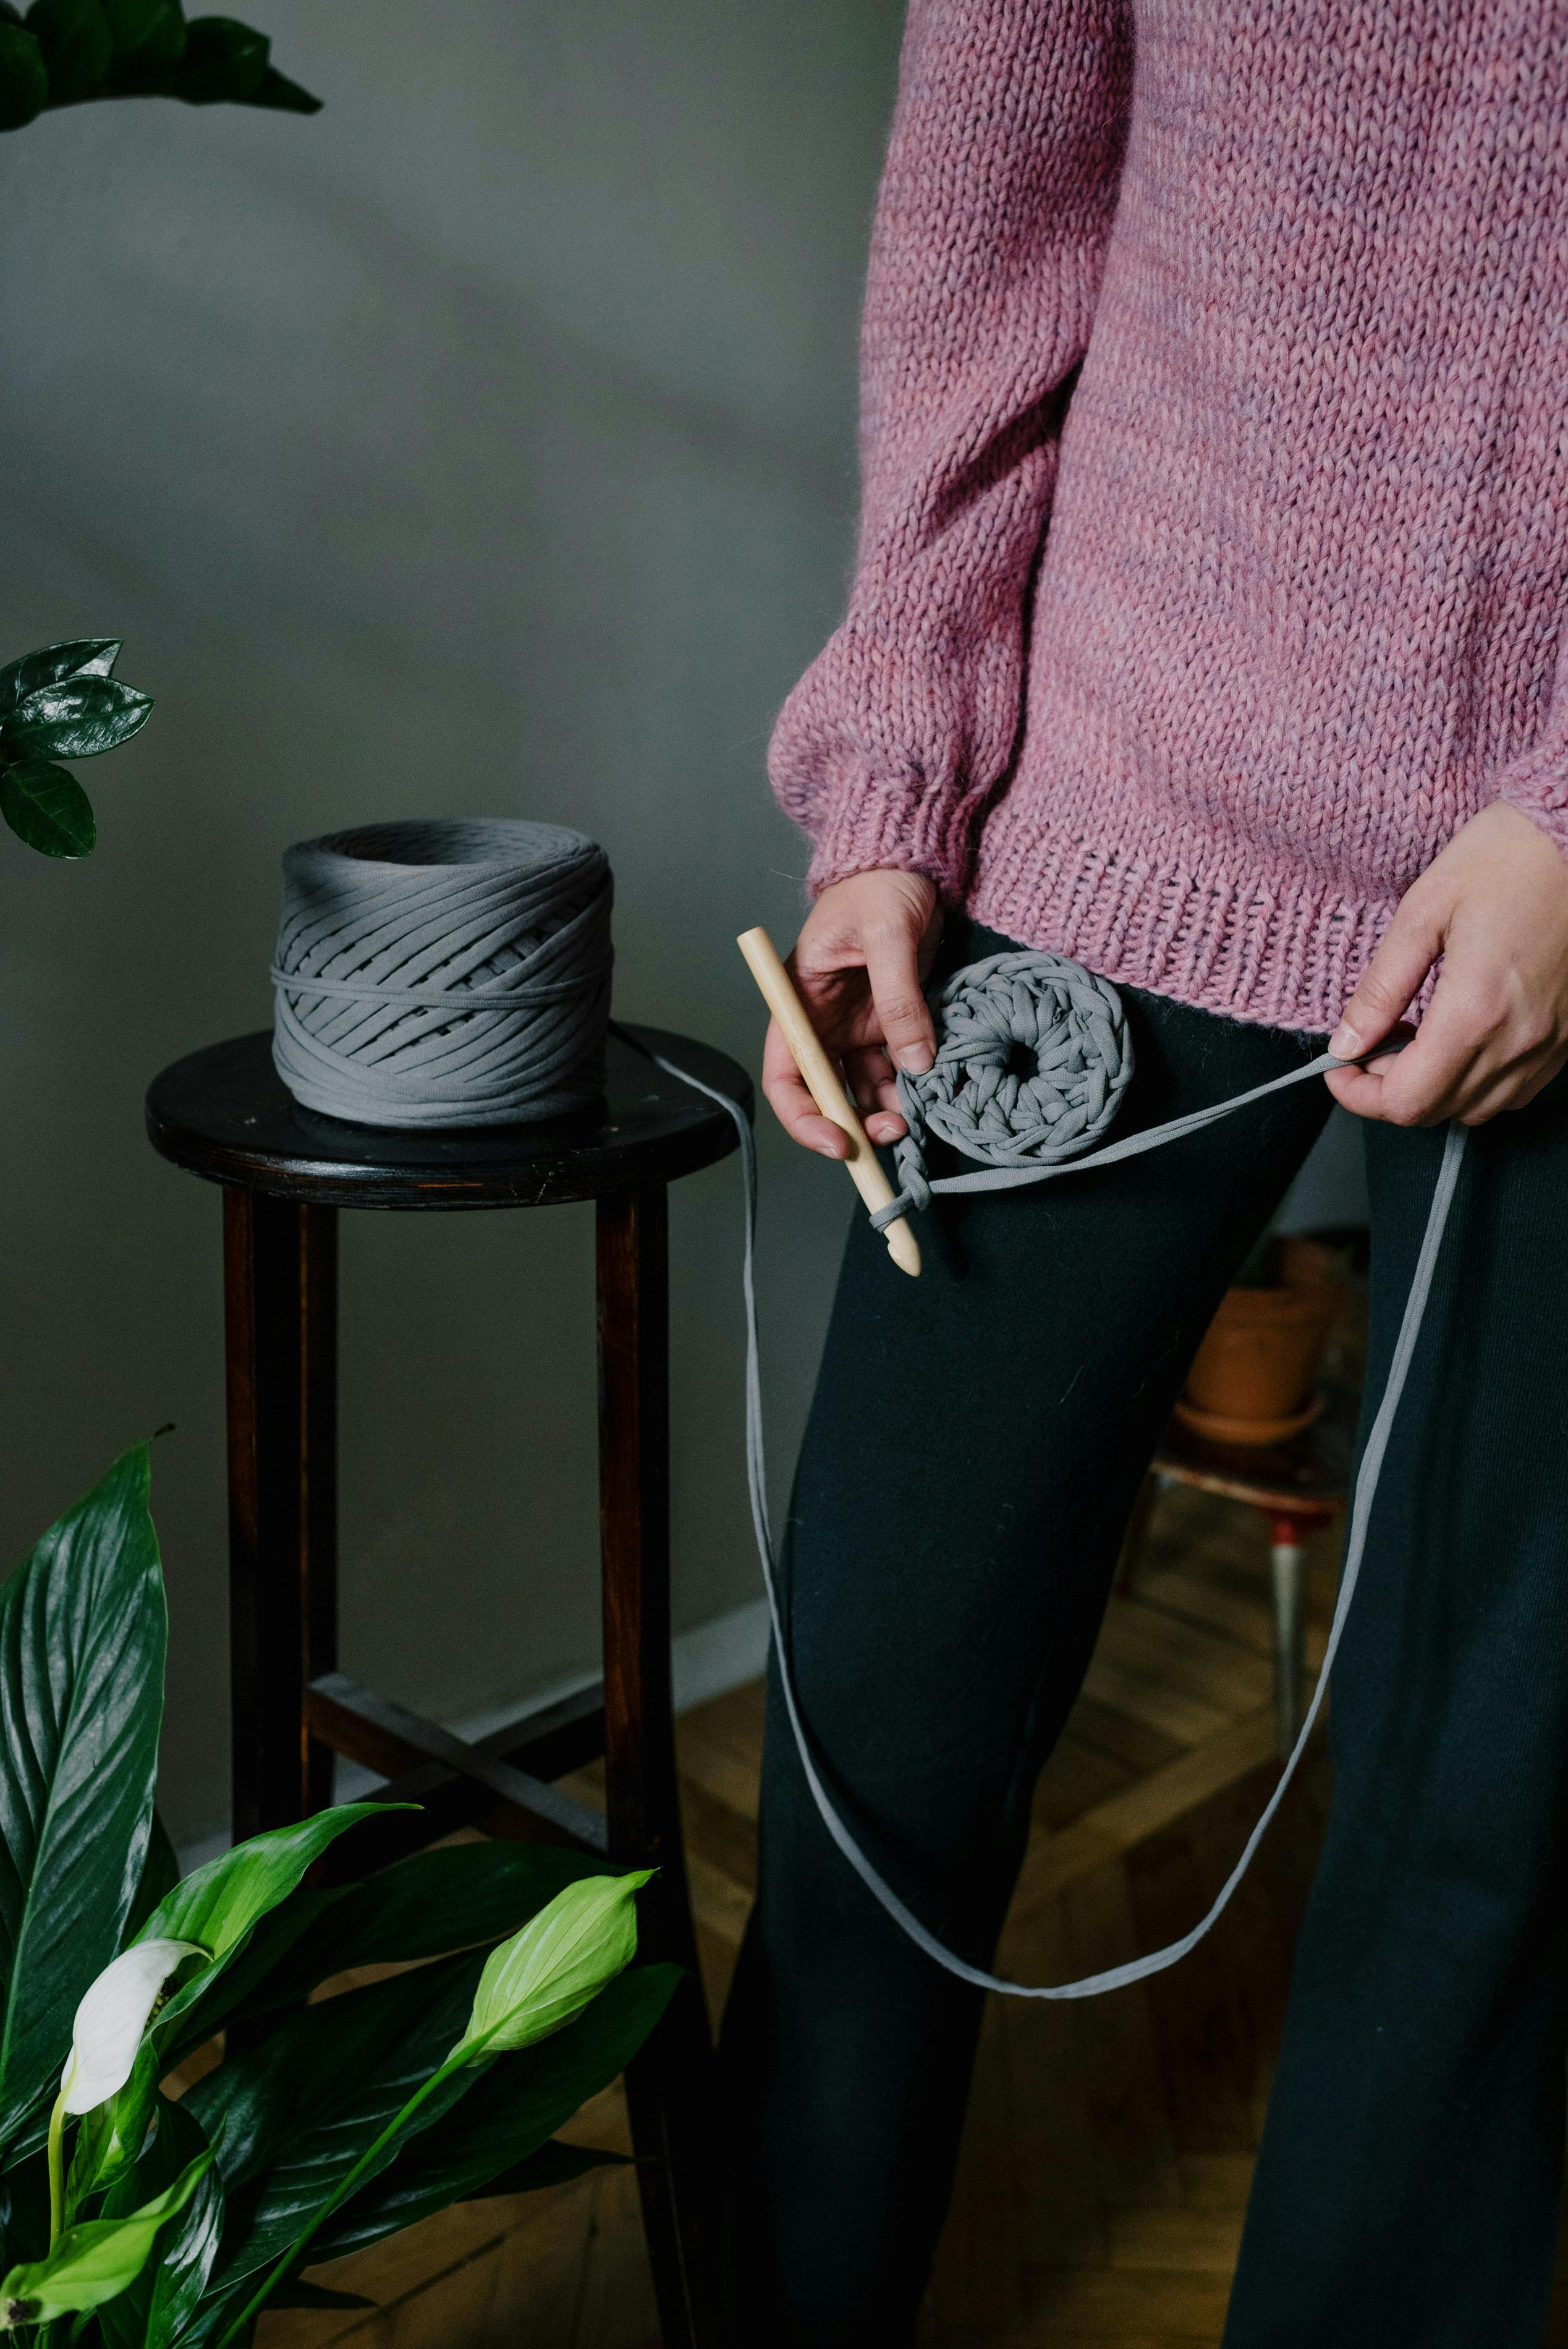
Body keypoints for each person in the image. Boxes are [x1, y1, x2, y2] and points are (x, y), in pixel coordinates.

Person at [716, 4, 1568, 2343]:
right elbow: (994, 215)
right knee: (875, 1701)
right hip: (1107, 827)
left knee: (1485, 1793)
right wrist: (896, 785)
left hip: (1563, 910)